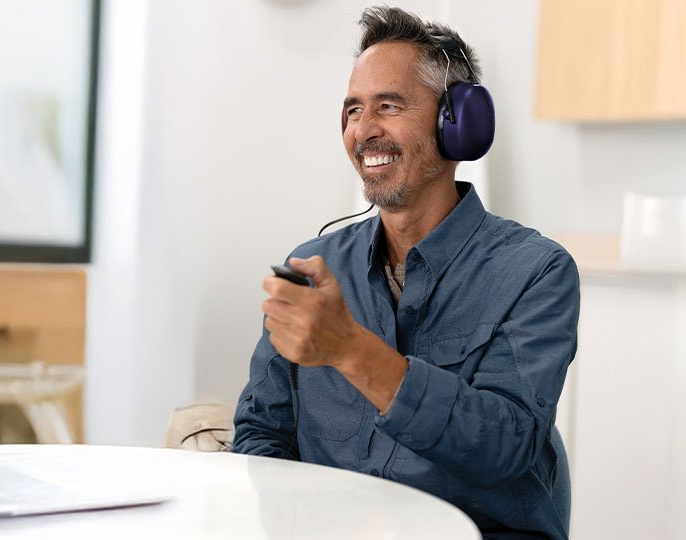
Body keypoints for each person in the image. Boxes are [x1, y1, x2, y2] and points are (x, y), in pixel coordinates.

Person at [232, 6, 579, 540]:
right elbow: (261, 432)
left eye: (387, 106)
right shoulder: (314, 266)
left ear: (459, 123)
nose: (364, 131)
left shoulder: (536, 271)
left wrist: (350, 348)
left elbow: (506, 445)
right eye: (352, 111)